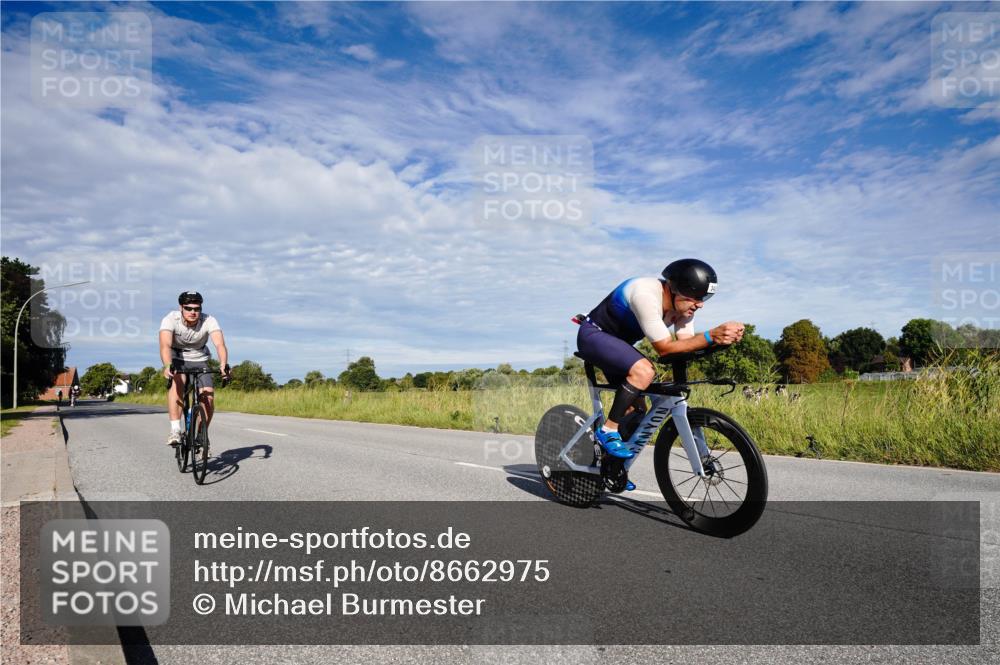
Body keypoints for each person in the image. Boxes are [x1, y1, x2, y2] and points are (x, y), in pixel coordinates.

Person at [576, 259, 745, 484]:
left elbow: (685, 345)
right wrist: (710, 335)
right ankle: (608, 430)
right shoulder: (645, 294)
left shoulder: (685, 308)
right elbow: (665, 348)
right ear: (674, 289)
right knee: (645, 371)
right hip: (593, 336)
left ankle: (611, 466)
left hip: (620, 346)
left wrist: (720, 342)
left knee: (637, 410)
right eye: (696, 297)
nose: (700, 304)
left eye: (705, 298)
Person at [159, 291, 231, 445]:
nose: (193, 312)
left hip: (200, 359)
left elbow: (220, 344)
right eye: (188, 308)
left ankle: (201, 434)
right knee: (177, 384)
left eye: (196, 309)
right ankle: (175, 430)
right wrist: (167, 366)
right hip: (178, 358)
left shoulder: (209, 320)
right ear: (181, 308)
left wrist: (223, 364)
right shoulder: (170, 319)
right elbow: (165, 345)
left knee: (209, 397)